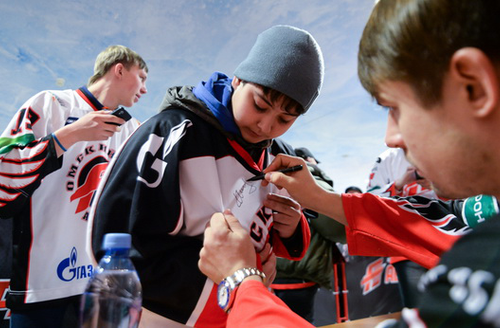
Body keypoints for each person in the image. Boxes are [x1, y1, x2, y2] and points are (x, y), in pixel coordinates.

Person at [198, 0, 500, 326]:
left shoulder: (486, 270)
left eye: (394, 108)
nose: (391, 138)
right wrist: (320, 199)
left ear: (473, 87)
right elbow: (427, 227)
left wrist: (240, 282)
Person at [87, 25, 323, 327]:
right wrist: (234, 278)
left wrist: (290, 229)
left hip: (243, 309)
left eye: (284, 119)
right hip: (164, 317)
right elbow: (114, 244)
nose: (265, 126)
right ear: (238, 79)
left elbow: (276, 231)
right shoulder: (170, 132)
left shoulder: (280, 154)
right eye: (259, 105)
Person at [0, 45, 148, 327]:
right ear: (119, 69)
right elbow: (4, 177)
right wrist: (65, 137)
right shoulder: (50, 104)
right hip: (41, 288)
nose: (144, 89)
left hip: (103, 287)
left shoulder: (134, 131)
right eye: (141, 77)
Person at [271, 147, 341, 324]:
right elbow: (337, 228)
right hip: (300, 272)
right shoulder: (313, 182)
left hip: (270, 271)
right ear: (309, 160)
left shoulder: (275, 180)